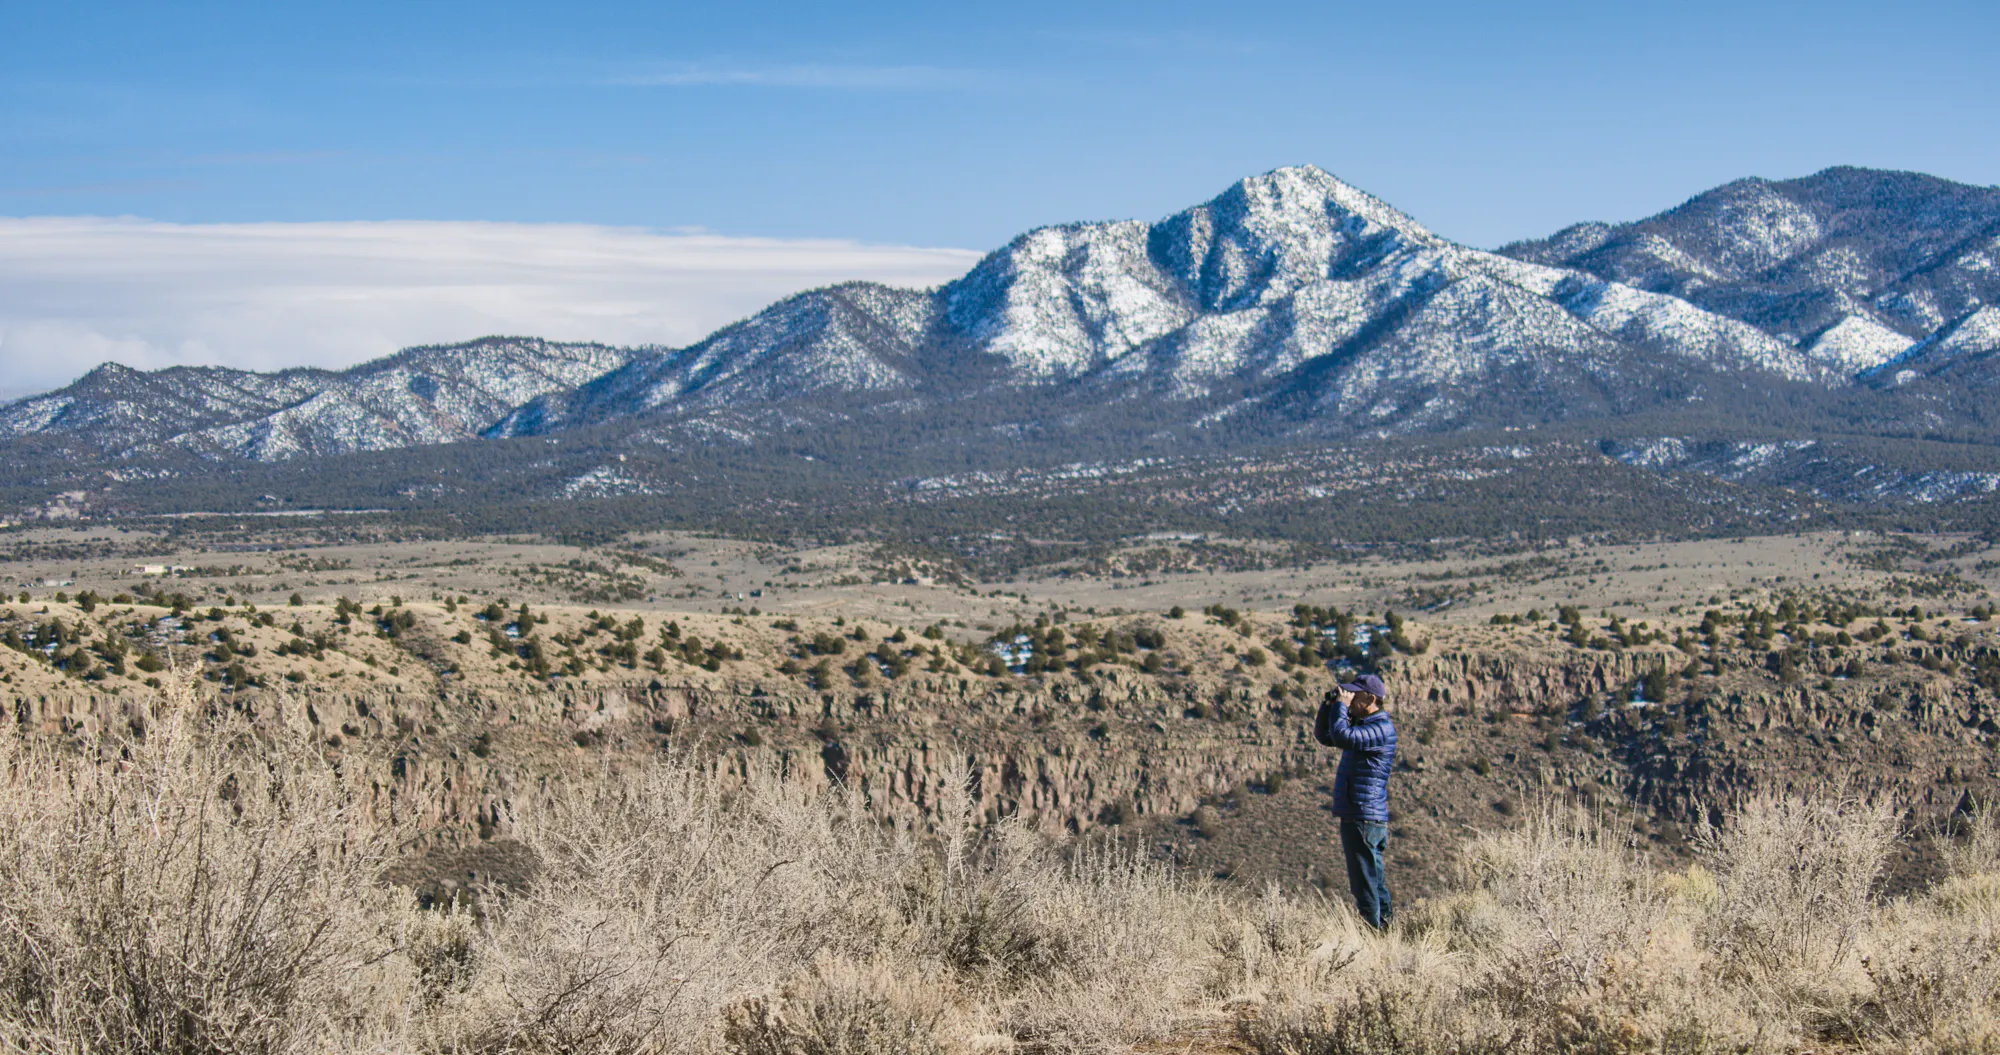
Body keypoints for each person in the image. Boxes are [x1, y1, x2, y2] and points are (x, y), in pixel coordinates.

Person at [1314, 673, 1397, 929]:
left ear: (1371, 699)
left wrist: (1341, 706)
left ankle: (1372, 935)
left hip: (1363, 817)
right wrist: (1329, 706)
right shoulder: (1366, 726)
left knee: (1365, 885)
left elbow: (1341, 736)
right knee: (1374, 882)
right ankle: (1386, 933)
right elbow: (1326, 736)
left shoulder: (1380, 728)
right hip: (1363, 815)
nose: (1349, 699)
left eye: (1354, 696)